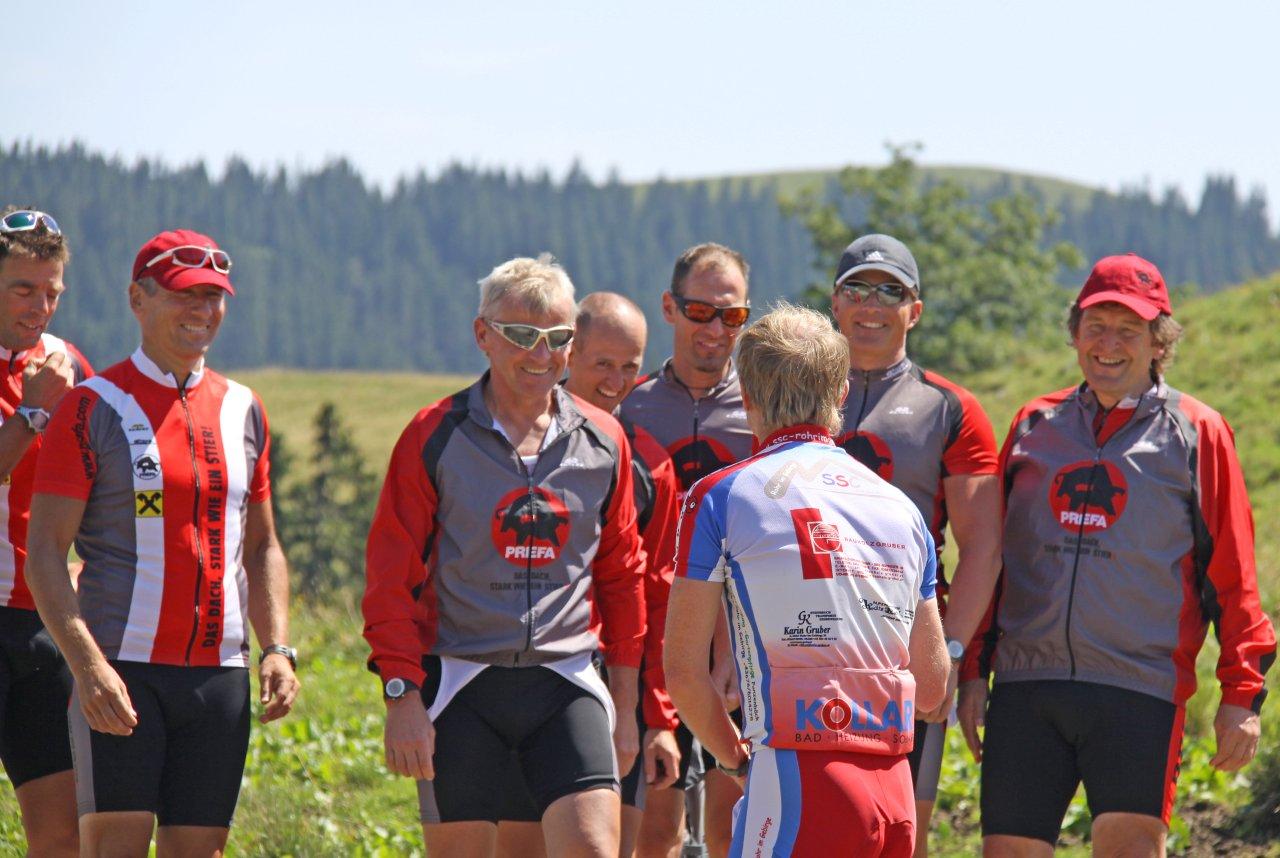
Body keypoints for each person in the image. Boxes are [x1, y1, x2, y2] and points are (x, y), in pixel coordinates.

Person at [957, 253, 1277, 857]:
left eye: (1128, 330)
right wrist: (973, 669)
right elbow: (993, 561)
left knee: (1130, 849)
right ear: (1075, 333)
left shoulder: (1198, 432)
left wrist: (1241, 695)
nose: (1108, 344)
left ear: (1159, 343)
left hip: (1140, 689)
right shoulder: (1032, 424)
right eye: (1096, 326)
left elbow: (1232, 576)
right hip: (1027, 684)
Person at [26, 229, 300, 857]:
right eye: (184, 295)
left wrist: (278, 648)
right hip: (122, 670)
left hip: (219, 676)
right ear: (137, 299)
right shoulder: (90, 406)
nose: (202, 311)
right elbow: (45, 553)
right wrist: (87, 667)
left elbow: (263, 546)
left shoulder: (244, 408)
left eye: (213, 296)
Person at [363, 256, 647, 858]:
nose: (541, 354)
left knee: (595, 850)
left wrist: (626, 705)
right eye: (521, 335)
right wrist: (401, 694)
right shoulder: (433, 434)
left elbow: (623, 577)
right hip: (461, 683)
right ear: (483, 334)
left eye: (557, 338)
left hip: (566, 680)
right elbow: (391, 578)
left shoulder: (604, 440)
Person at [665, 304, 948, 857]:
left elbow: (684, 673)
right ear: (841, 393)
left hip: (796, 778)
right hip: (894, 789)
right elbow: (933, 688)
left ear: (746, 396)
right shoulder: (902, 509)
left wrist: (735, 761)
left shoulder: (720, 496)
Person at [829, 234, 1001, 856]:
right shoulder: (794, 395)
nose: (871, 304)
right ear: (835, 302)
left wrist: (949, 652)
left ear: (915, 310)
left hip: (903, 647)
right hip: (800, 643)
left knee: (899, 836)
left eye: (890, 291)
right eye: (857, 288)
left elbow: (983, 549)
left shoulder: (950, 408)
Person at [496, 291, 682, 858]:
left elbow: (657, 597)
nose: (616, 381)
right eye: (603, 363)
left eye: (630, 366)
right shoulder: (501, 442)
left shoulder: (651, 464)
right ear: (568, 351)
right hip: (516, 682)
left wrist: (657, 717)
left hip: (612, 687)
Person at [619, 242, 753, 857]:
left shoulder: (762, 410)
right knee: (654, 828)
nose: (715, 329)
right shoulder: (628, 405)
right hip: (649, 633)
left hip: (739, 644)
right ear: (669, 308)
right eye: (700, 311)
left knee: (732, 824)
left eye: (732, 315)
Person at [0, 207, 93, 857]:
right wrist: (32, 411)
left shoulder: (69, 364)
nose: (41, 307)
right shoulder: (47, 387)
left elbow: (101, 482)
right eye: (23, 289)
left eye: (53, 292)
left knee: (62, 834)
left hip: (41, 619)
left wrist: (93, 563)